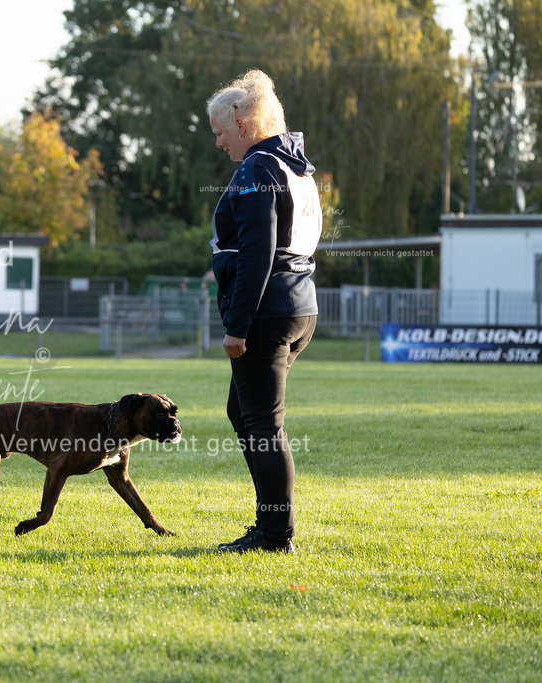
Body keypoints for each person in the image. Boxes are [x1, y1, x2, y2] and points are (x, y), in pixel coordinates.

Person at [206, 70, 321, 553]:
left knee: (263, 424)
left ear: (243, 121)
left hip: (267, 313)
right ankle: (268, 527)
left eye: (220, 132)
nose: (219, 143)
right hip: (298, 306)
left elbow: (258, 251)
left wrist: (237, 324)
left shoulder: (257, 168)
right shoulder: (296, 165)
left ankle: (276, 535)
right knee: (245, 412)